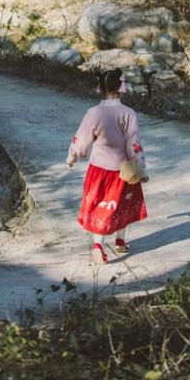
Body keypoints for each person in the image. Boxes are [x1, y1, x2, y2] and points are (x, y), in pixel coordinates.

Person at [66, 67, 147, 264]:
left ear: (101, 88)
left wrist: (73, 155)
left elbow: (82, 138)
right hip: (124, 171)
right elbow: (133, 143)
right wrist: (140, 167)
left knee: (99, 206)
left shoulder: (94, 112)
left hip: (99, 170)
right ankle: (120, 240)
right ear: (121, 87)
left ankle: (98, 246)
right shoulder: (128, 113)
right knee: (123, 204)